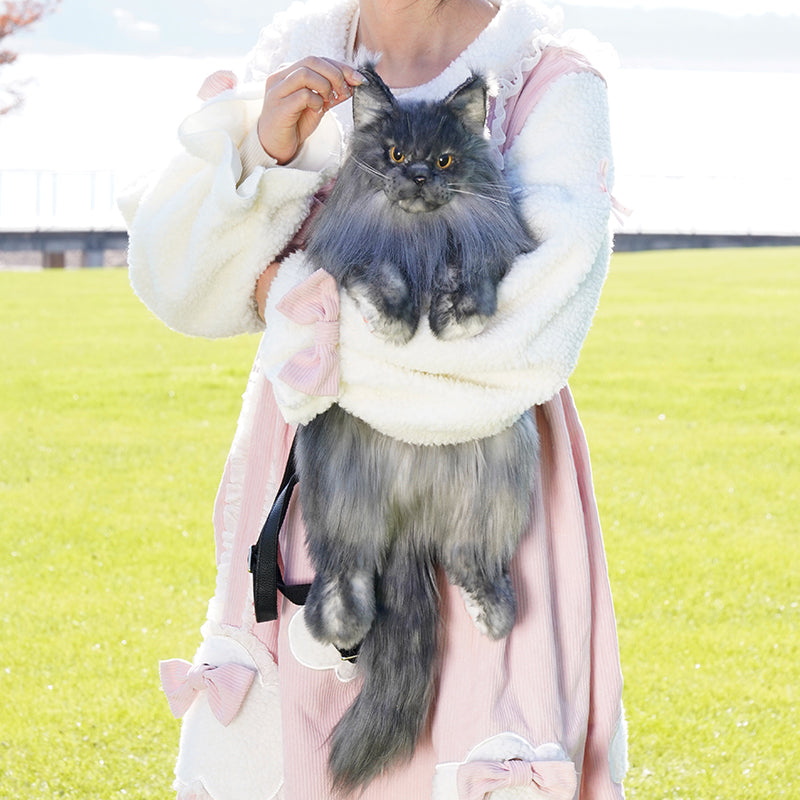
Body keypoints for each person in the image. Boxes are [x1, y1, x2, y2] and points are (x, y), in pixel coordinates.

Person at [121, 1, 627, 798]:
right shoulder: (296, 59)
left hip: (481, 494)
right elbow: (181, 283)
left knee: (468, 730)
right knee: (300, 744)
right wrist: (265, 152)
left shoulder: (549, 82)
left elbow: (521, 337)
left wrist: (292, 304)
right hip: (316, 489)